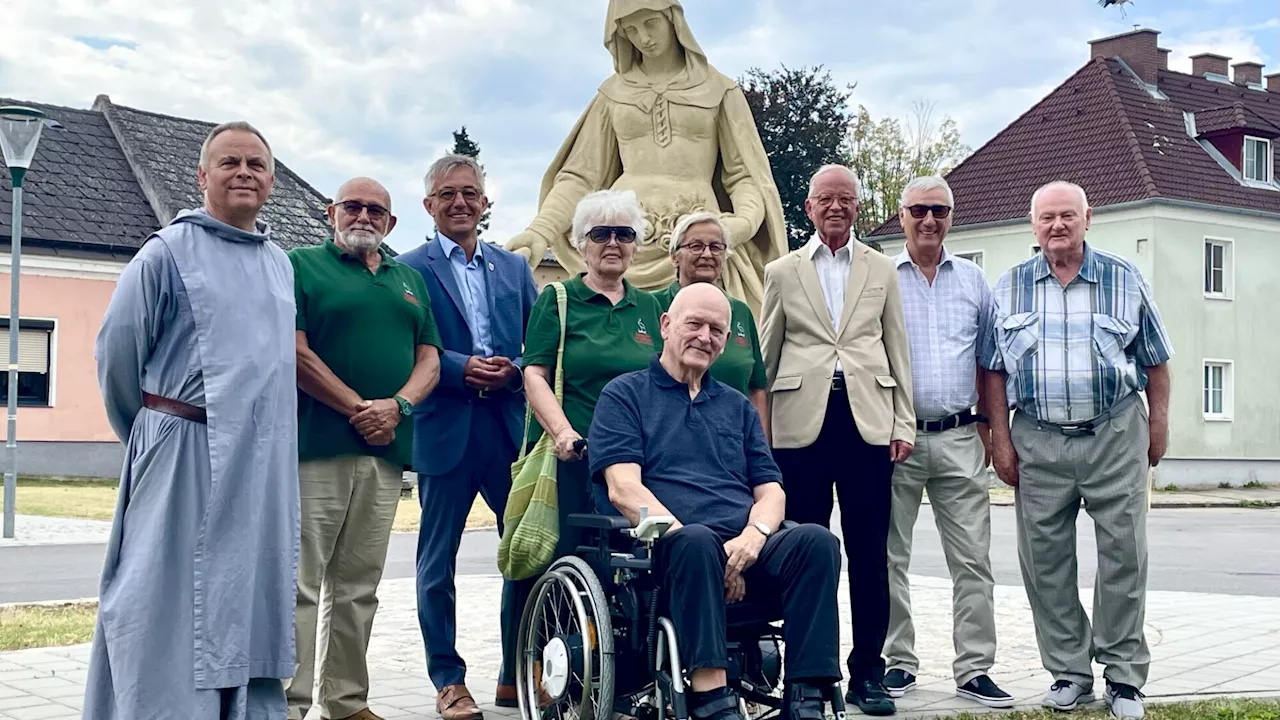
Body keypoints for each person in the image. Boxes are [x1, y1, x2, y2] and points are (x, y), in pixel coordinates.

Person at [87, 121, 298, 719]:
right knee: (167, 597)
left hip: (260, 463)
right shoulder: (164, 253)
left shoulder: (280, 264)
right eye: (229, 163)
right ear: (202, 176)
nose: (244, 173)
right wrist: (156, 434)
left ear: (272, 180)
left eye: (256, 164)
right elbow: (118, 354)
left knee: (249, 599)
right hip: (183, 453)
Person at [589, 283, 842, 720]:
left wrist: (751, 540)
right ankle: (712, 699)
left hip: (742, 548)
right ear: (666, 326)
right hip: (667, 550)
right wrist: (701, 546)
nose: (705, 336)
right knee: (696, 542)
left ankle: (806, 700)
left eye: (717, 330)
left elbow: (771, 491)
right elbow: (623, 488)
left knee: (817, 542)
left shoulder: (736, 406)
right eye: (695, 324)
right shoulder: (625, 395)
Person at [982, 181, 1172, 720]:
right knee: (1045, 563)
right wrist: (1000, 439)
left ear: (1089, 219)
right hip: (1038, 437)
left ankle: (1124, 678)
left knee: (1124, 556)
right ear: (1033, 225)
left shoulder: (1124, 278)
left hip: (1115, 432)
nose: (1058, 226)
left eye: (1068, 216)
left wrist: (1158, 426)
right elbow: (992, 371)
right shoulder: (1010, 286)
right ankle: (1068, 672)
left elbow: (1156, 360)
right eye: (1048, 218)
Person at [505, 0, 787, 315]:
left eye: (650, 23)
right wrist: (540, 231)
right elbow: (580, 176)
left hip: (696, 248)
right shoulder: (613, 94)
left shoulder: (719, 90)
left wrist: (743, 223)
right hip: (625, 249)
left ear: (672, 19)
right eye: (631, 29)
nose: (643, 38)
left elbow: (743, 175)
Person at [760, 164, 915, 716]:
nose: (836, 207)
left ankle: (868, 673)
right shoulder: (781, 271)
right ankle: (808, 675)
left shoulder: (882, 269)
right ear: (808, 207)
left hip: (868, 424)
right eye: (825, 199)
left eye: (846, 199)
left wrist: (904, 422)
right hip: (799, 427)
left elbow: (897, 346)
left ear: (857, 206)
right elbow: (766, 354)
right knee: (806, 551)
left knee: (871, 553)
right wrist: (762, 435)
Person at [287, 177, 443, 720]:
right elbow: (294, 350)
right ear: (331, 212)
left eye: (376, 210)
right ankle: (289, 702)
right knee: (301, 584)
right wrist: (359, 407)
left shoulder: (410, 281)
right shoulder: (301, 265)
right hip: (317, 448)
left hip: (384, 453)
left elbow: (430, 358)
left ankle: (347, 703)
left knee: (359, 587)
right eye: (352, 206)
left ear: (391, 223)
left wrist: (396, 408)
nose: (364, 216)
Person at [397, 155, 539, 719]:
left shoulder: (515, 269)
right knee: (437, 562)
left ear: (485, 203)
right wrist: (460, 368)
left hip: (507, 429)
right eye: (448, 194)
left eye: (470, 193)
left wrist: (515, 365)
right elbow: (406, 346)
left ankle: (516, 669)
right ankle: (449, 680)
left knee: (526, 554)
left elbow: (539, 342)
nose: (460, 203)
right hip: (445, 428)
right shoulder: (409, 270)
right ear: (429, 205)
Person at [883, 176, 1011, 709]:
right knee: (890, 556)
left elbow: (989, 363)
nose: (929, 220)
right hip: (898, 439)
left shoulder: (975, 281)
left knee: (973, 560)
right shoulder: (882, 277)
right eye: (919, 210)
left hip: (961, 435)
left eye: (939, 210)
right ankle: (897, 661)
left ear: (952, 215)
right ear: (902, 214)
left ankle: (975, 667)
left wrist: (990, 431)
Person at [521, 189, 666, 553]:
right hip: (574, 459)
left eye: (625, 234)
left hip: (640, 461)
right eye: (600, 234)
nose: (613, 243)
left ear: (636, 244)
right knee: (560, 554)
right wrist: (562, 432)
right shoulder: (557, 299)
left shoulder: (651, 307)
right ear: (581, 244)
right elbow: (534, 374)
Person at [650, 211, 768, 433]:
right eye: (696, 246)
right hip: (669, 436)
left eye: (716, 247)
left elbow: (756, 388)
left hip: (733, 437)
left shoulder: (740, 311)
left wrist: (763, 450)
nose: (707, 254)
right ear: (674, 256)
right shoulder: (652, 306)